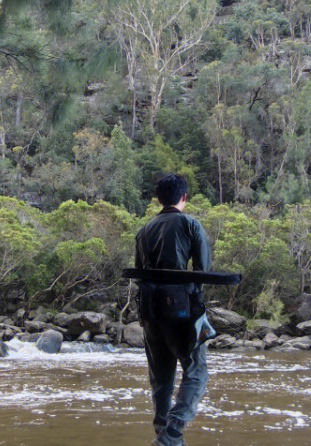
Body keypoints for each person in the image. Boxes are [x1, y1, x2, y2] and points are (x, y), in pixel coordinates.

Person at [135, 173, 214, 446]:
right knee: (197, 372)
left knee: (161, 381)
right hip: (181, 311)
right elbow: (203, 271)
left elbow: (140, 275)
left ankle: (164, 437)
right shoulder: (191, 224)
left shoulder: (144, 230)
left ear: (159, 199)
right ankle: (171, 435)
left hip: (150, 313)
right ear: (184, 197)